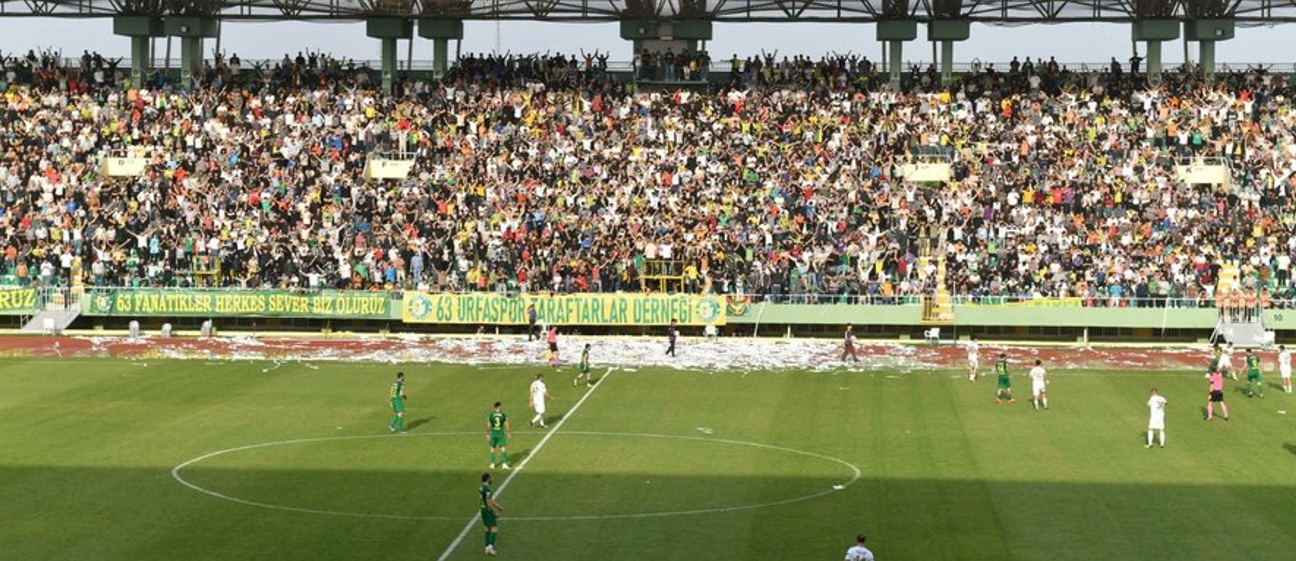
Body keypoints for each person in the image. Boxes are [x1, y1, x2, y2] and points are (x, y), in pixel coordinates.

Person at [480, 472, 504, 556]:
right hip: (488, 511)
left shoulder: (481, 488)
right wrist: (496, 512)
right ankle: (490, 548)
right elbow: (489, 503)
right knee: (494, 529)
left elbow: (490, 501)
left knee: (487, 529)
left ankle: (486, 548)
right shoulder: (488, 490)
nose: (492, 479)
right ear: (488, 479)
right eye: (491, 478)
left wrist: (498, 506)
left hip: (482, 510)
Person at [487, 401, 512, 470]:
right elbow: (507, 424)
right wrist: (509, 432)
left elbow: (488, 425)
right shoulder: (503, 415)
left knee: (492, 449)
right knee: (503, 449)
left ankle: (492, 464)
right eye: (500, 406)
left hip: (493, 433)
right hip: (500, 434)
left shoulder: (490, 415)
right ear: (498, 407)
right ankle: (504, 464)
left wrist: (487, 434)